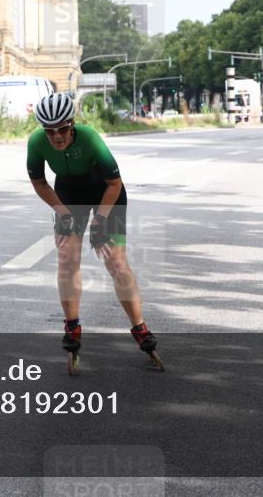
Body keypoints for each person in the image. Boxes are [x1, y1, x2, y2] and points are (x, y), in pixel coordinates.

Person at [26, 93, 162, 373]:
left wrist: (99, 222)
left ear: (72, 124)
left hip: (105, 192)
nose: (57, 136)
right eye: (50, 131)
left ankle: (139, 327)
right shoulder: (36, 143)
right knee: (66, 258)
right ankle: (72, 326)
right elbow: (39, 183)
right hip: (69, 193)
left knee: (115, 260)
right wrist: (62, 212)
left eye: (62, 129)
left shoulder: (89, 138)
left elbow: (115, 183)